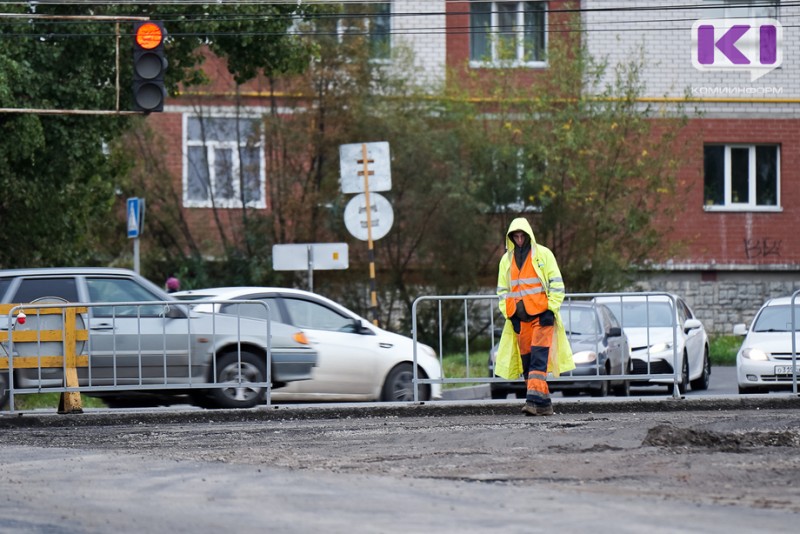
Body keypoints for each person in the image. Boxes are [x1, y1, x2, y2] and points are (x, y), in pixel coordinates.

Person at [494, 217, 574, 416]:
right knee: (528, 363)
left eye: (522, 236)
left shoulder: (543, 255)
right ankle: (544, 405)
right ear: (511, 237)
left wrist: (550, 310)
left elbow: (557, 285)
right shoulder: (506, 260)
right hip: (520, 320)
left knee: (538, 362)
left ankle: (531, 402)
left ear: (529, 235)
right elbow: (503, 292)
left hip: (541, 317)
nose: (520, 240)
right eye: (516, 236)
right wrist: (509, 315)